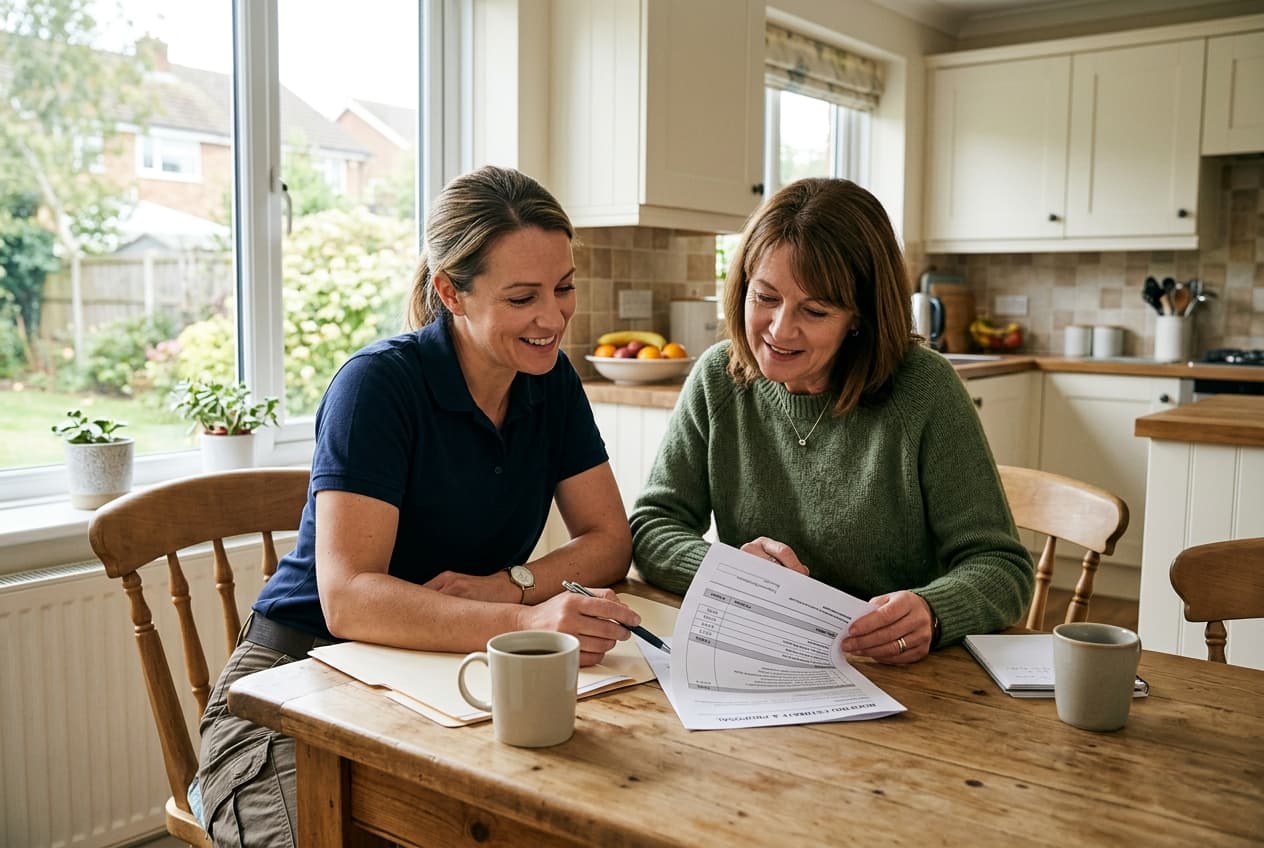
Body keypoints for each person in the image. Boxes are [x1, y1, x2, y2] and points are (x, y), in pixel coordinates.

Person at [195, 165, 639, 847]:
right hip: (292, 682)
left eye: (564, 287)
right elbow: (350, 599)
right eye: (523, 297)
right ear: (449, 291)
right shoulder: (378, 386)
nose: (552, 317)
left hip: (436, 677)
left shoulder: (550, 383)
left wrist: (510, 586)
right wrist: (522, 618)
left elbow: (610, 538)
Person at [630, 178, 1033, 664]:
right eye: (765, 297)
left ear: (859, 318)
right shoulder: (719, 378)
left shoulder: (923, 389)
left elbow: (1001, 566)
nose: (779, 330)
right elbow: (652, 526)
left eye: (815, 310)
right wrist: (727, 567)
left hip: (900, 677)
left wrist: (933, 609)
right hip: (762, 661)